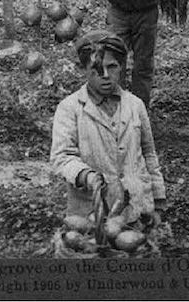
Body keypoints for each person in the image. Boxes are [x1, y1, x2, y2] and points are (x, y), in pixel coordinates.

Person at [50, 30, 166, 227]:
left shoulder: (135, 105)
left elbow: (148, 154)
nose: (105, 75)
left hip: (136, 208)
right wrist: (87, 176)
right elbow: (61, 157)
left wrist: (158, 200)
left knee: (138, 251)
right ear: (84, 70)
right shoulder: (70, 108)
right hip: (90, 212)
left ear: (121, 67)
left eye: (111, 67)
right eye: (96, 69)